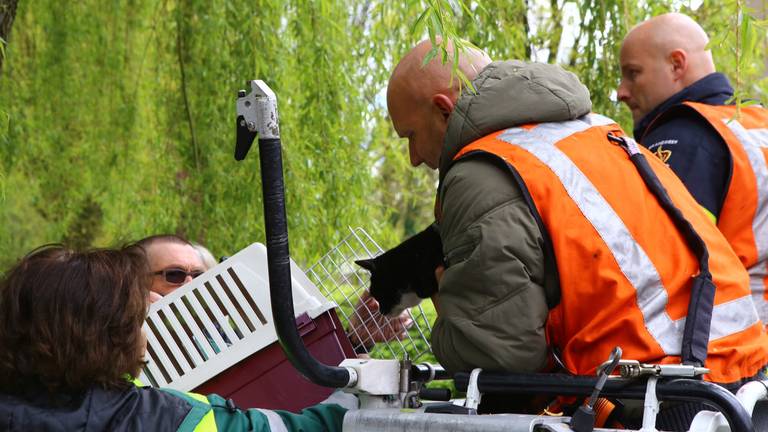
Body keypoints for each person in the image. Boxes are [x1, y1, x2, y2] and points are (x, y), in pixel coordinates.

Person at [387, 39, 768, 398]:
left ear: (443, 110)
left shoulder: (482, 172)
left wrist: (449, 307)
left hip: (651, 392)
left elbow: (500, 355)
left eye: (411, 136)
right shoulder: (597, 130)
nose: (413, 158)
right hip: (736, 374)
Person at [0, 244, 354, 431]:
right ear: (114, 329)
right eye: (174, 275)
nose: (192, 286)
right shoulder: (170, 417)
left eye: (200, 274)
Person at [617, 13, 768, 323]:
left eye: (633, 73)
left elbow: (657, 262)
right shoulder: (755, 123)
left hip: (732, 343)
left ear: (676, 64)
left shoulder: (684, 139)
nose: (621, 91)